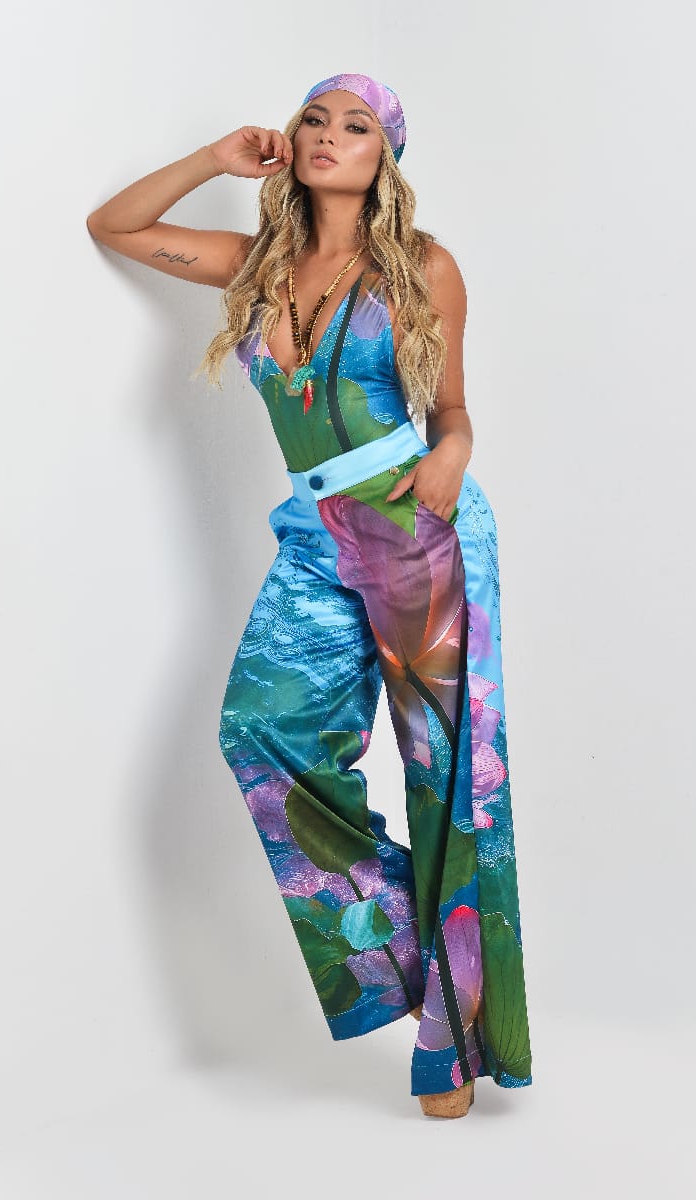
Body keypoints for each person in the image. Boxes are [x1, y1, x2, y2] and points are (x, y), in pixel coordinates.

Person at [87, 72, 533, 1119]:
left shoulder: (420, 266)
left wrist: (451, 458)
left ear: (386, 158)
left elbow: (453, 410)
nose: (331, 135)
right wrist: (213, 159)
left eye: (357, 125)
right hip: (315, 537)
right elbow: (114, 226)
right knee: (258, 731)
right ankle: (416, 944)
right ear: (288, 142)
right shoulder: (254, 265)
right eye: (315, 120)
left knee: (447, 778)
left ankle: (452, 1050)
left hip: (416, 518)